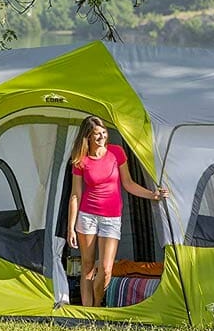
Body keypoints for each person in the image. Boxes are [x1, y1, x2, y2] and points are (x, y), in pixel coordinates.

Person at [67, 116, 168, 307]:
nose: (102, 137)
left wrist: (153, 195)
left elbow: (128, 184)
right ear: (87, 137)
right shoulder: (81, 160)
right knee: (87, 267)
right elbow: (75, 195)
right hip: (87, 216)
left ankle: (97, 305)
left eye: (104, 133)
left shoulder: (116, 153)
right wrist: (70, 228)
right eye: (97, 134)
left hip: (111, 218)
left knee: (105, 269)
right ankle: (89, 312)